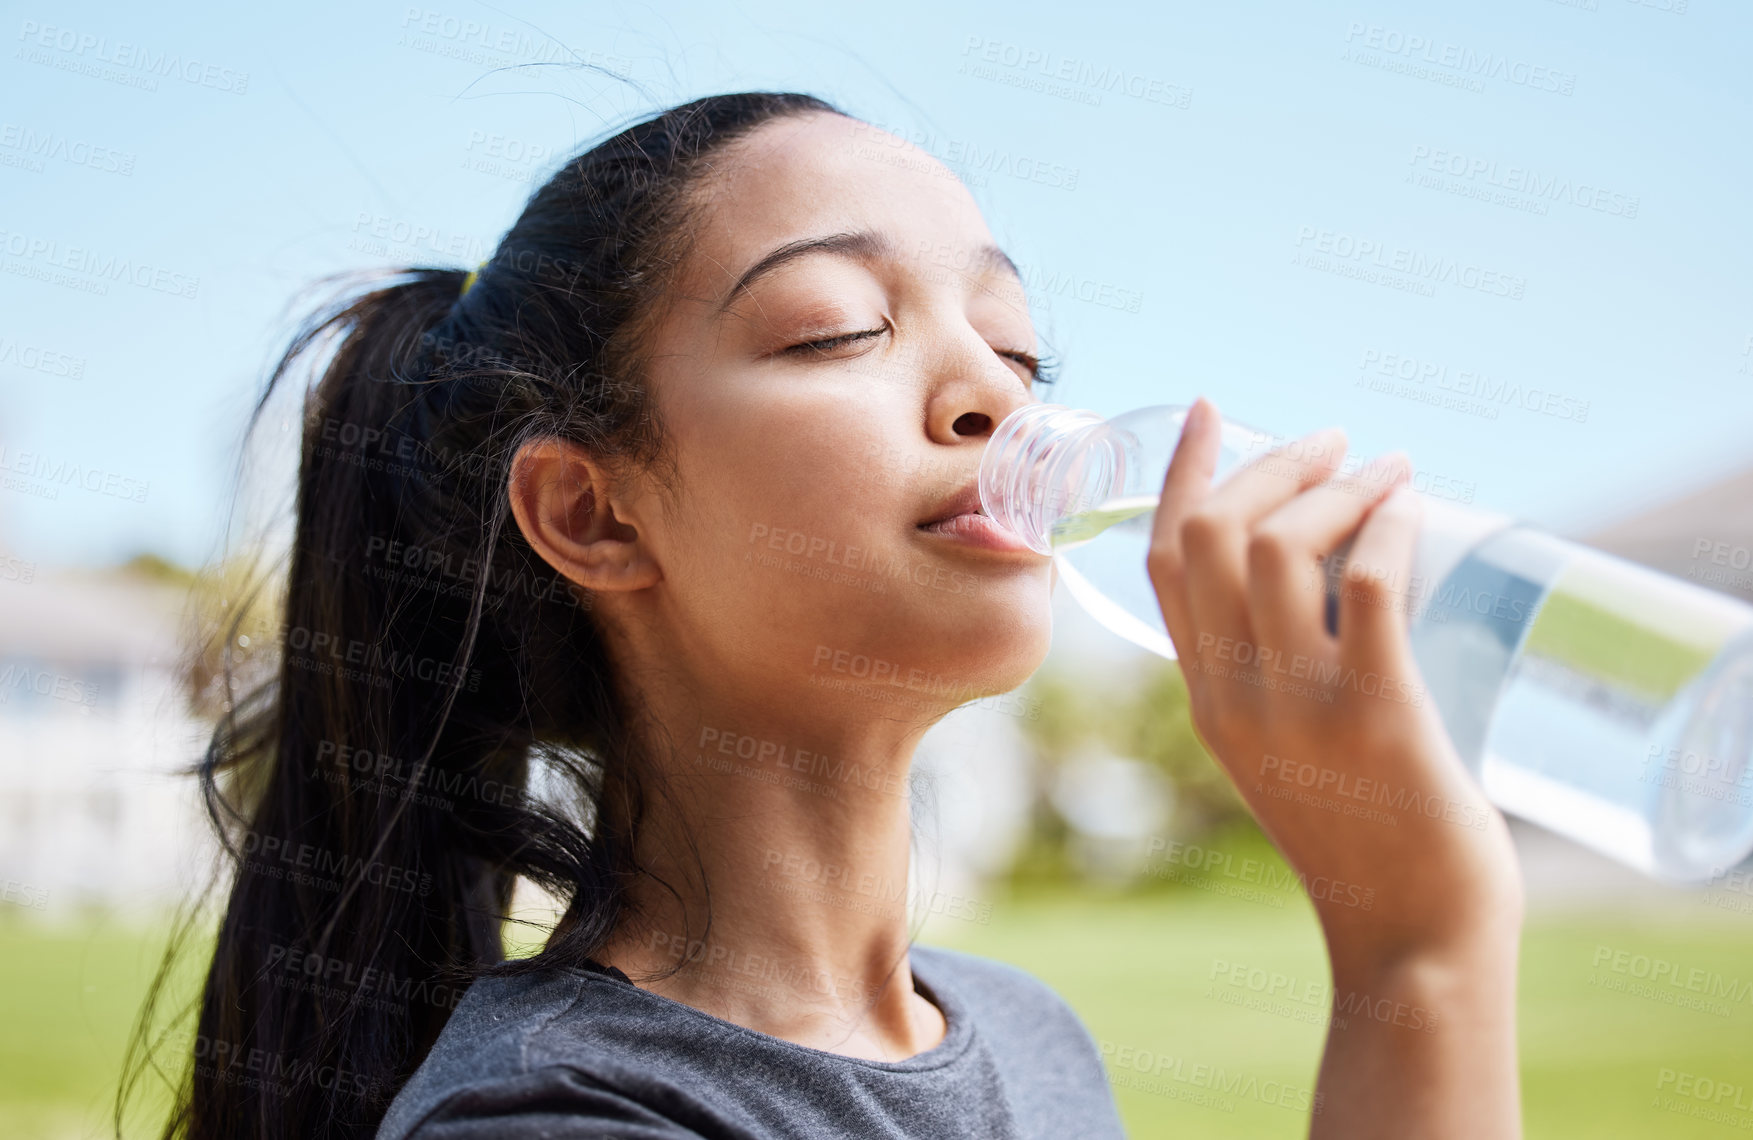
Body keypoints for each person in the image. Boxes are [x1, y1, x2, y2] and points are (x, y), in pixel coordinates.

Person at [159, 91, 1523, 1139]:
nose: (996, 396)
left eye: (1016, 344)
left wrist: (1426, 941)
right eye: (837, 330)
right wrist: (1420, 946)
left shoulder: (1023, 1035)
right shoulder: (562, 1114)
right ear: (593, 512)